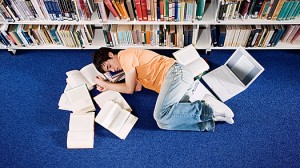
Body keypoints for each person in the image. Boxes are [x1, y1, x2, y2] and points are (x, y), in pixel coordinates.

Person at [93, 47, 234, 132]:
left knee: (160, 115)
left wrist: (106, 85)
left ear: (111, 55)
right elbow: (136, 87)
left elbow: (129, 89)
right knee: (163, 123)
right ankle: (209, 118)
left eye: (109, 65)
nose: (113, 70)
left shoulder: (125, 56)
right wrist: (109, 85)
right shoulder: (129, 68)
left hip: (176, 74)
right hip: (177, 84)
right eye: (109, 70)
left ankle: (207, 108)